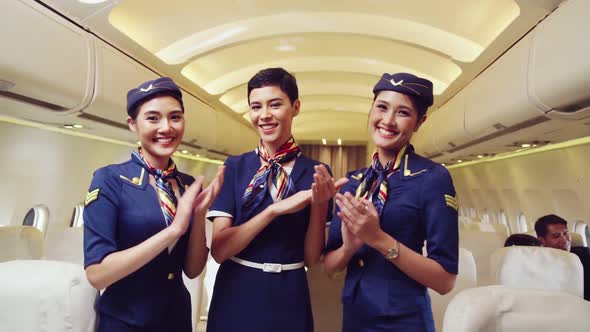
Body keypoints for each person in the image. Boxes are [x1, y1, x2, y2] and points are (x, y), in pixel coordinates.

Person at [205, 68, 346, 332]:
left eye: (275, 104)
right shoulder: (235, 167)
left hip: (290, 292)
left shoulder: (316, 171)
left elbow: (311, 257)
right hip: (236, 291)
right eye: (256, 106)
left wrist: (318, 206)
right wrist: (273, 211)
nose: (264, 115)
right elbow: (220, 250)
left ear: (295, 107)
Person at [83, 77, 224, 331]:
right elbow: (97, 274)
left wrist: (200, 214)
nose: (166, 127)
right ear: (132, 124)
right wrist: (175, 228)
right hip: (125, 322)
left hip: (176, 320)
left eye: (175, 117)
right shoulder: (110, 180)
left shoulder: (187, 184)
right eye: (153, 118)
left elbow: (192, 270)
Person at [324, 73, 459, 332]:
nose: (387, 120)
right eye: (382, 107)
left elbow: (445, 281)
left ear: (419, 122)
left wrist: (377, 238)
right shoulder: (355, 182)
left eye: (403, 113)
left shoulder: (432, 179)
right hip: (354, 316)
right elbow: (330, 267)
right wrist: (349, 248)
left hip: (403, 321)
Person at [534, 214, 590, 301]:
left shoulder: (585, 254)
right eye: (556, 236)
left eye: (565, 233)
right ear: (542, 240)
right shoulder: (538, 263)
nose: (564, 240)